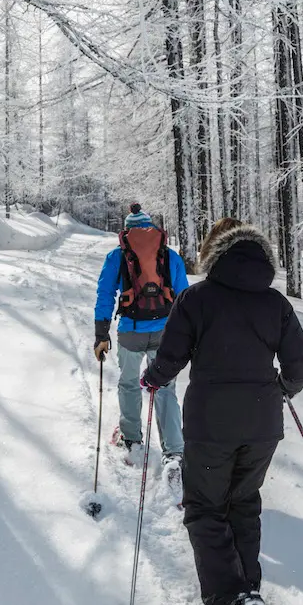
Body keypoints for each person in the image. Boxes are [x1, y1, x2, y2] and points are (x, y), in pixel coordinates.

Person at [141, 218, 303, 605]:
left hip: (211, 426)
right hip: (261, 427)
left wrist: (152, 379)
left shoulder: (198, 298)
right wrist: (279, 391)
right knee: (243, 505)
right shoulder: (276, 304)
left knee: (204, 509)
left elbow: (171, 356)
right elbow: (300, 366)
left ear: (215, 256)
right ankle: (247, 594)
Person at [94, 203, 188, 484]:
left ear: (126, 232)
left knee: (129, 384)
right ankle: (174, 453)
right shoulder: (169, 256)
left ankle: (132, 439)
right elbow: (185, 297)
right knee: (165, 389)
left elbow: (105, 294)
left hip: (130, 332)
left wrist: (101, 334)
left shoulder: (116, 256)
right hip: (165, 332)